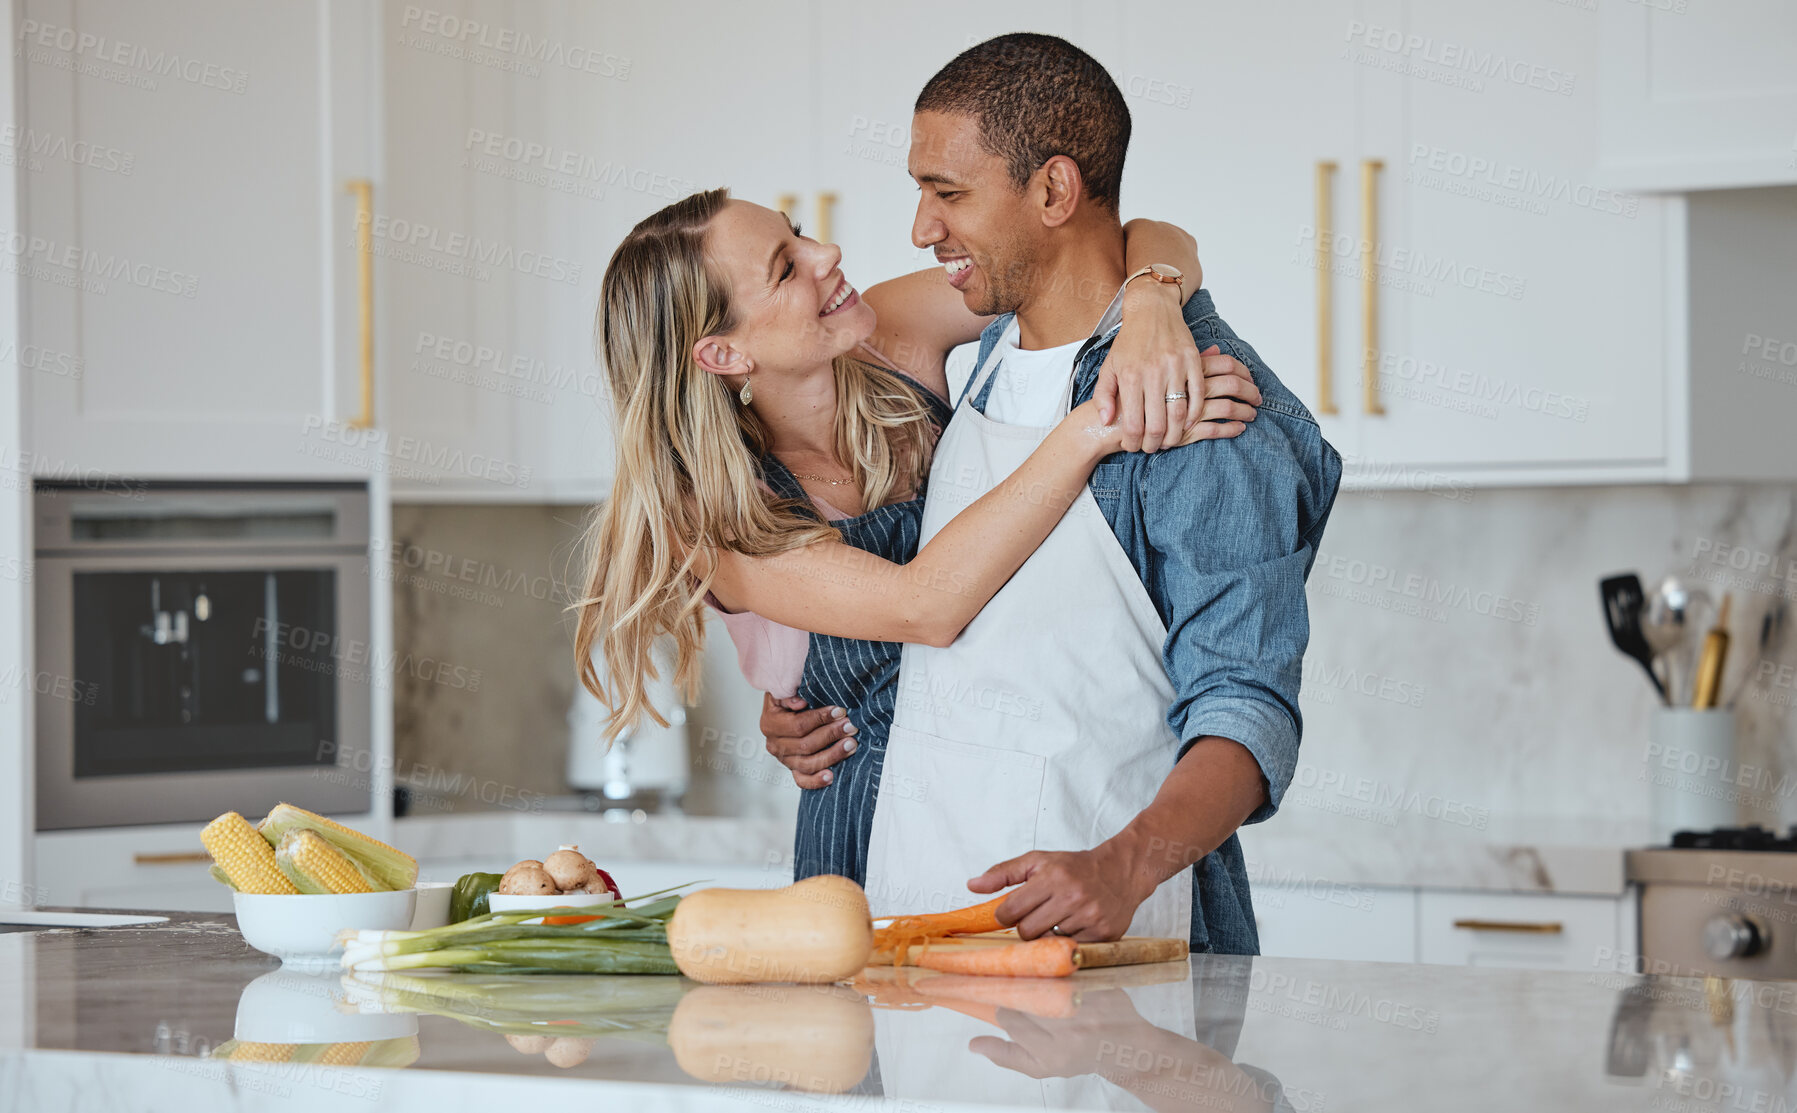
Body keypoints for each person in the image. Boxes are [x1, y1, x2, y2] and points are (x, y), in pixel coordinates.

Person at [762, 33, 1343, 954]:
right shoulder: (982, 358)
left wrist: (1124, 863)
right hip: (924, 916)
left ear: (1053, 191)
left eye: (946, 193)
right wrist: (798, 697)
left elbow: (1248, 706)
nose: (921, 228)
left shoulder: (1197, 405)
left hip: (1108, 943)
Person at [573, 187, 1263, 887]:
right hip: (871, 823)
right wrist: (1101, 421)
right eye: (786, 267)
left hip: (1036, 777)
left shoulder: (892, 333)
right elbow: (923, 605)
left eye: (800, 233)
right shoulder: (719, 518)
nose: (826, 253)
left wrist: (1149, 304)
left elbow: (1091, 254)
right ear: (722, 354)